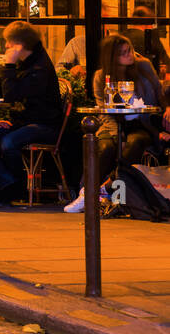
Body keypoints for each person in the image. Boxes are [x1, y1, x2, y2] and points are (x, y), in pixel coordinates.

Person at [64, 34, 165, 212]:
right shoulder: (100, 77)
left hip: (141, 124)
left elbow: (159, 93)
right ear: (112, 57)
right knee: (107, 147)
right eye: (123, 53)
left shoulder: (143, 67)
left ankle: (101, 192)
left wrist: (168, 107)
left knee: (134, 143)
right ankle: (90, 193)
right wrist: (117, 135)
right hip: (112, 124)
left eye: (130, 51)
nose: (130, 55)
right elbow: (104, 111)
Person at [0, 20, 64, 206]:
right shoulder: (23, 63)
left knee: (9, 142)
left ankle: (12, 189)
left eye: (8, 42)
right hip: (21, 122)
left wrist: (9, 65)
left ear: (19, 45)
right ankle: (8, 183)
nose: (6, 46)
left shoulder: (40, 68)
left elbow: (11, 96)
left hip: (44, 125)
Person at [121, 7, 169, 79]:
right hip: (146, 79)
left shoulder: (121, 37)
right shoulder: (150, 38)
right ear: (148, 23)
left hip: (123, 80)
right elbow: (166, 62)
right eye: (152, 24)